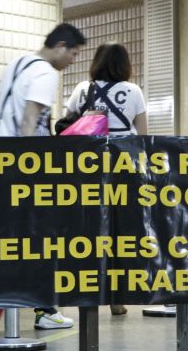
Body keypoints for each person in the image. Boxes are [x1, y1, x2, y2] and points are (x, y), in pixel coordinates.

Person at [0, 22, 86, 330]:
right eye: (73, 53)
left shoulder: (16, 64)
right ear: (60, 46)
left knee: (10, 243)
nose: (72, 60)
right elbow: (30, 122)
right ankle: (45, 310)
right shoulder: (46, 73)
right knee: (42, 241)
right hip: (25, 169)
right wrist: (31, 170)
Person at [65, 42, 146, 316]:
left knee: (88, 231)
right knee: (120, 233)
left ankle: (86, 293)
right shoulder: (133, 91)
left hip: (87, 168)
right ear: (124, 64)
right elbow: (144, 137)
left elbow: (67, 127)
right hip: (123, 169)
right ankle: (117, 298)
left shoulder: (82, 89)